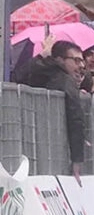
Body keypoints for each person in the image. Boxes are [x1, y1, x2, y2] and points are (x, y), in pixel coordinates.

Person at [17, 38, 86, 184]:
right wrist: (77, 159)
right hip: (50, 153)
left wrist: (42, 55)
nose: (81, 65)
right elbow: (75, 118)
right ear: (60, 60)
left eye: (82, 61)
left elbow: (18, 77)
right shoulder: (65, 81)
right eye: (76, 60)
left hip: (29, 149)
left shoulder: (39, 72)